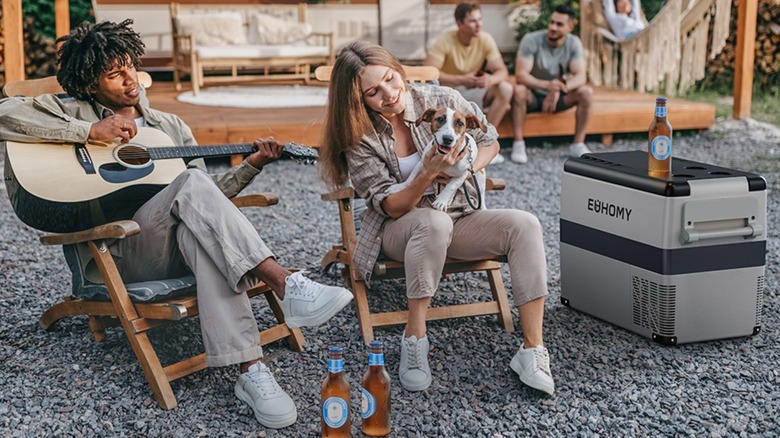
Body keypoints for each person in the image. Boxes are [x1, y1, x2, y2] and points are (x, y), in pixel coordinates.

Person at [0, 20, 353, 429]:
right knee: (190, 182)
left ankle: (251, 371)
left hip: (177, 243)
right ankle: (285, 281)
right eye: (114, 74)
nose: (130, 79)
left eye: (131, 65)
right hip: (120, 250)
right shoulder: (70, 110)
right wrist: (88, 130)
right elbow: (4, 113)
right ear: (90, 85)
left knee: (197, 218)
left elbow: (208, 198)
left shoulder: (170, 127)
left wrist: (252, 165)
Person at [319, 40, 555, 395]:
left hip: (458, 217)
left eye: (390, 79)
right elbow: (389, 205)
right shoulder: (360, 135)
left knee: (525, 224)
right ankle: (414, 340)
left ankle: (532, 349)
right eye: (373, 91)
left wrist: (462, 168)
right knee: (433, 221)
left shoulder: (440, 100)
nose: (389, 94)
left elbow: (490, 140)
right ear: (359, 100)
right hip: (400, 228)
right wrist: (429, 174)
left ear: (398, 69)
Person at [423, 1, 513, 165]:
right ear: (459, 23)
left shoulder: (485, 39)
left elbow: (502, 71)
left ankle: (485, 142)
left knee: (505, 89)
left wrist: (489, 79)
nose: (479, 24)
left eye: (480, 19)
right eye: (473, 21)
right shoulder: (446, 40)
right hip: (448, 95)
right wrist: (462, 80)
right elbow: (429, 72)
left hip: (473, 91)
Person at [511, 4, 593, 164]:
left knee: (586, 92)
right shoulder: (531, 40)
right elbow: (521, 76)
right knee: (519, 90)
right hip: (533, 95)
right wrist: (548, 86)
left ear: (570, 26)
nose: (553, 27)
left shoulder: (573, 43)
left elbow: (581, 76)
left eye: (559, 24)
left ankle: (578, 143)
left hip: (558, 97)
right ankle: (518, 143)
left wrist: (558, 90)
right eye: (552, 22)